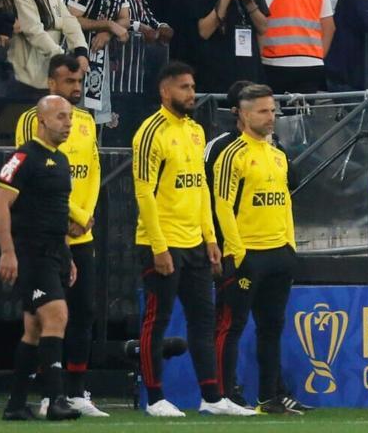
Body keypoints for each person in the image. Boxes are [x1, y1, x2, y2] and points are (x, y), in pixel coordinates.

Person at [131, 61, 250, 418]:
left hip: (195, 242)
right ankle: (154, 398)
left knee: (203, 319)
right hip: (163, 242)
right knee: (158, 319)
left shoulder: (196, 131)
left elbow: (200, 189)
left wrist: (210, 238)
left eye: (192, 86)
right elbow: (144, 192)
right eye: (183, 87)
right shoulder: (149, 132)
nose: (191, 93)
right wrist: (159, 245)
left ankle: (212, 397)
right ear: (165, 92)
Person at [208, 83, 306, 416]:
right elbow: (222, 206)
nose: (271, 116)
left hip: (279, 252)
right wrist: (235, 252)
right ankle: (222, 397)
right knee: (231, 326)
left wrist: (290, 246)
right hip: (247, 254)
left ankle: (269, 398)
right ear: (244, 114)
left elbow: (285, 202)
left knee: (272, 328)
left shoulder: (277, 155)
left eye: (273, 110)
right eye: (263, 111)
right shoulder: (231, 155)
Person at [16, 55, 105, 417]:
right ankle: (46, 394)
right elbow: (36, 178)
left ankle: (78, 391)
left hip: (81, 235)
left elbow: (93, 171)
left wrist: (86, 218)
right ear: (51, 84)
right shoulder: (31, 121)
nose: (76, 88)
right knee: (44, 318)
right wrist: (74, 217)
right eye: (69, 81)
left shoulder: (85, 122)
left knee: (84, 312)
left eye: (79, 81)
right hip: (49, 236)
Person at [0, 93, 80, 422]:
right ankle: (55, 399)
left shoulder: (63, 161)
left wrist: (67, 255)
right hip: (30, 252)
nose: (67, 123)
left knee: (34, 329)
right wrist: (8, 251)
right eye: (60, 117)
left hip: (54, 252)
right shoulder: (23, 157)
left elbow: (55, 215)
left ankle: (15, 405)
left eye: (69, 117)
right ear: (41, 121)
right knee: (56, 315)